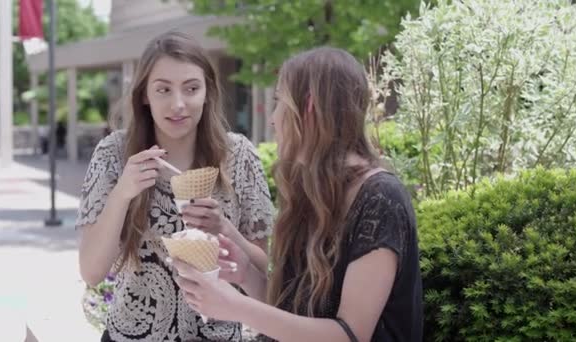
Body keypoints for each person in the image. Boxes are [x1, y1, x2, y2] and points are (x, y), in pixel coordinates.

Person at [174, 47, 423, 342]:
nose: (273, 120)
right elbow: (291, 316)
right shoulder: (309, 192)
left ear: (309, 108)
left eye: (279, 102)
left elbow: (350, 334)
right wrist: (245, 274)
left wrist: (236, 306)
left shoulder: (381, 199)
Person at [76, 30, 273, 341]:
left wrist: (224, 229)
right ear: (145, 95)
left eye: (191, 88)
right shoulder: (114, 154)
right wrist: (123, 194)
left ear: (207, 91)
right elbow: (91, 272)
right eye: (163, 89)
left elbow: (265, 268)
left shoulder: (238, 156)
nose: (178, 104)